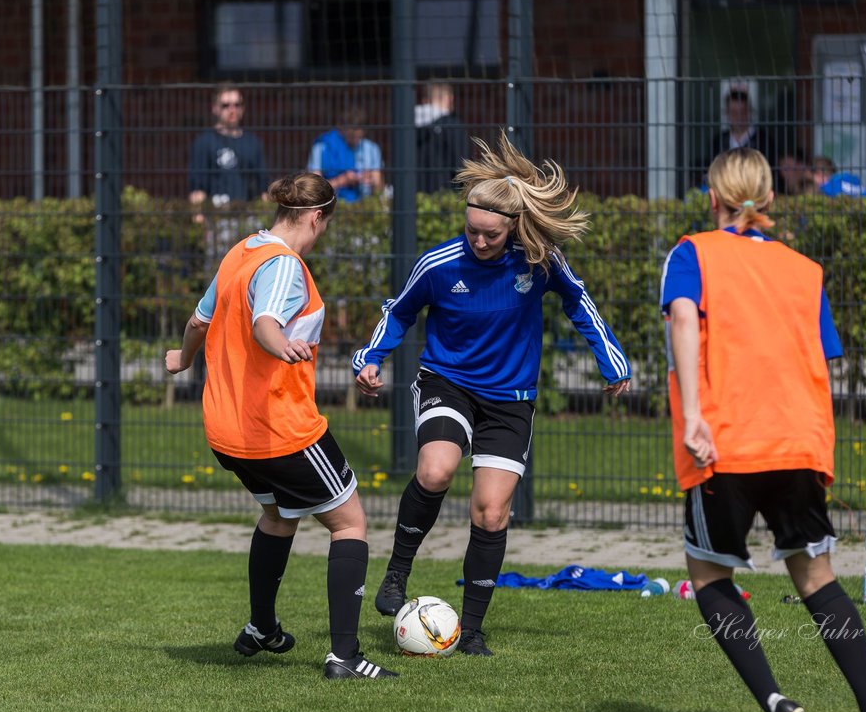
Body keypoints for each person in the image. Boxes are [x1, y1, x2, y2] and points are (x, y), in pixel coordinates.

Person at [352, 132, 632, 656]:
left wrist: (611, 359)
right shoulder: (440, 264)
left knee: (491, 512)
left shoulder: (538, 260)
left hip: (510, 397)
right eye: (472, 231)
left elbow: (580, 304)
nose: (479, 243)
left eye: (490, 235)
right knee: (435, 471)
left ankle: (473, 630)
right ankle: (395, 574)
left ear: (513, 228)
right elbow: (399, 311)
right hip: (447, 381)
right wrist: (369, 359)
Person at [660, 147, 866, 712]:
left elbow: (683, 320)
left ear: (712, 198)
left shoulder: (692, 253)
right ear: (770, 200)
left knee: (708, 575)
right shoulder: (803, 268)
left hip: (725, 443)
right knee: (817, 579)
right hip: (798, 443)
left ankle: (774, 700)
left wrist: (693, 416)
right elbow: (823, 358)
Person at [164, 172, 397, 681]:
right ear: (317, 217)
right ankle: (345, 656)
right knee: (350, 523)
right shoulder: (285, 266)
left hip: (227, 434)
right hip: (281, 432)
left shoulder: (241, 250)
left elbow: (200, 322)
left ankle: (262, 628)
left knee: (278, 517)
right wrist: (279, 344)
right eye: (325, 226)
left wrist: (182, 361)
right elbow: (265, 321)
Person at [188, 85, 268, 246]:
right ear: (215, 109)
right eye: (226, 105)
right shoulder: (205, 142)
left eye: (237, 105)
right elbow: (198, 189)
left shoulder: (252, 143)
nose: (232, 110)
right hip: (217, 220)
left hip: (248, 220)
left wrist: (266, 219)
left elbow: (263, 190)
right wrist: (199, 222)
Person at [307, 105, 384, 203]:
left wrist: (369, 180)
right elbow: (314, 188)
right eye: (351, 136)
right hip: (331, 205)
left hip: (364, 205)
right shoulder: (322, 147)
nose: (355, 140)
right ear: (341, 129)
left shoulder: (371, 149)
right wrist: (342, 180)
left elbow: (379, 187)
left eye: (358, 137)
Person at [415, 81, 466, 193]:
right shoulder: (452, 124)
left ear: (425, 100)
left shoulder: (409, 125)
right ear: (449, 98)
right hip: (445, 196)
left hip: (415, 194)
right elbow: (461, 165)